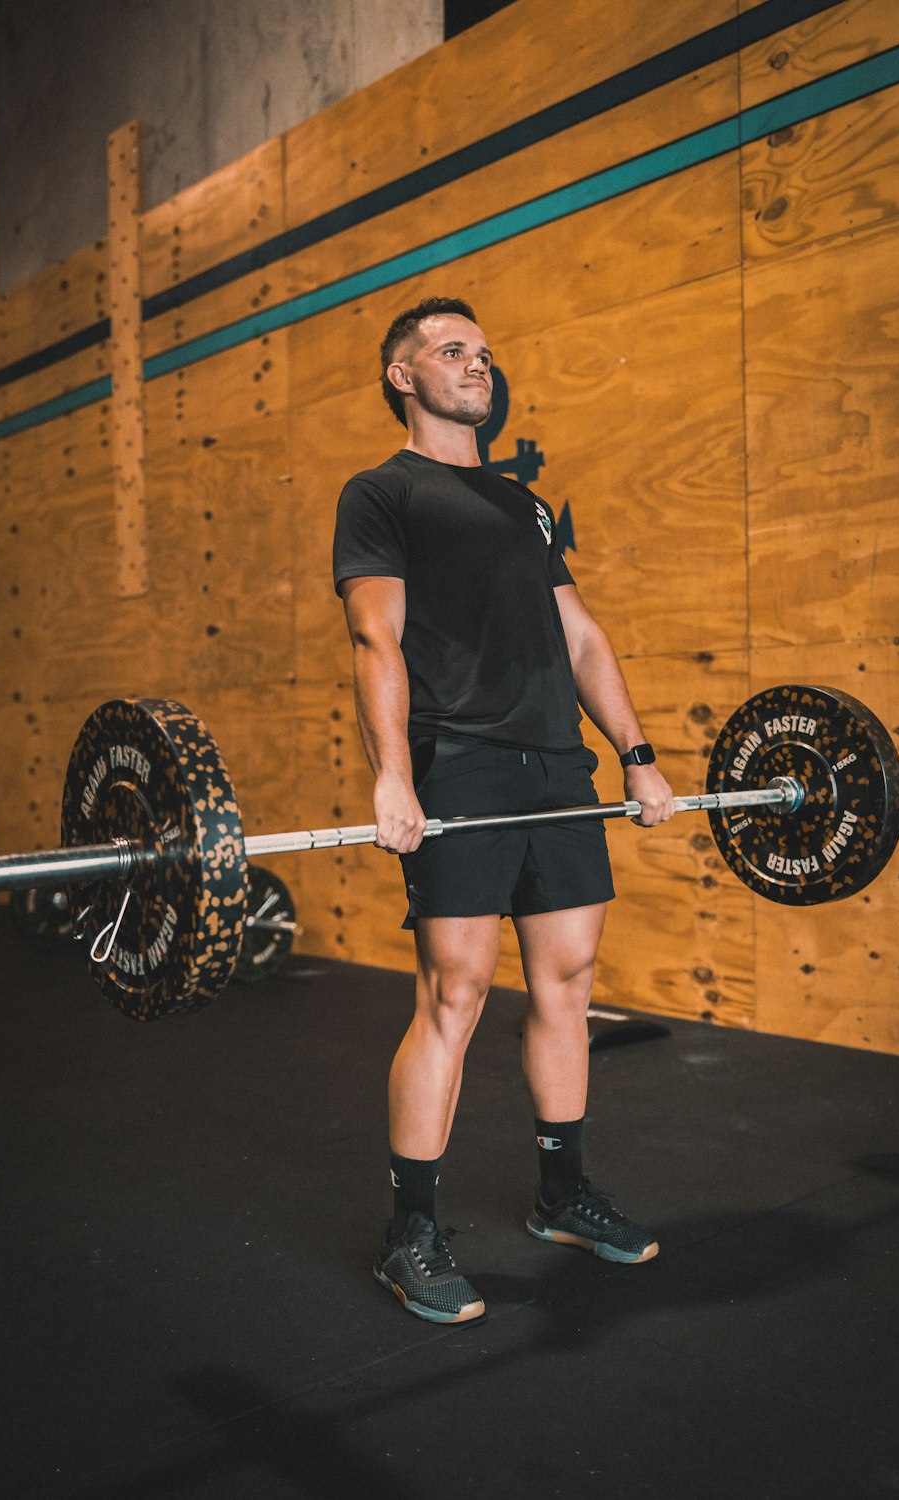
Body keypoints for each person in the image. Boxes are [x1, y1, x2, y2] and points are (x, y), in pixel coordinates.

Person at [333, 295, 674, 1325]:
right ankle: (409, 1233)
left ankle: (561, 1193)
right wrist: (395, 775)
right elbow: (373, 638)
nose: (475, 364)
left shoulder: (524, 504)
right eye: (449, 351)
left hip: (554, 768)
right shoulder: (380, 493)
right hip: (463, 765)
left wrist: (638, 754)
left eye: (482, 351)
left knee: (566, 983)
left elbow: (579, 637)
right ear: (402, 375)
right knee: (455, 993)